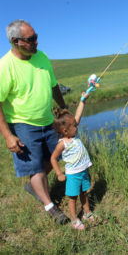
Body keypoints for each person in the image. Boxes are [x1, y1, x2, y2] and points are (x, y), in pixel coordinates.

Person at [0, 19, 68, 224]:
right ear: (15, 41)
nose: (37, 43)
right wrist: (8, 136)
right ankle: (51, 208)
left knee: (55, 156)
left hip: (48, 121)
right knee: (35, 167)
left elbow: (54, 86)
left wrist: (64, 109)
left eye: (36, 37)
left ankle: (33, 187)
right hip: (23, 125)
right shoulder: (5, 66)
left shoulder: (42, 57)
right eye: (32, 39)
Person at [51, 94, 95, 230]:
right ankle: (74, 219)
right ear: (65, 130)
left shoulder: (74, 136)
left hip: (83, 171)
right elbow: (53, 158)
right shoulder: (62, 144)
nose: (77, 126)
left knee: (83, 193)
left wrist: (82, 100)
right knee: (72, 197)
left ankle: (87, 213)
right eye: (74, 126)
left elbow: (78, 115)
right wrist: (59, 173)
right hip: (73, 175)